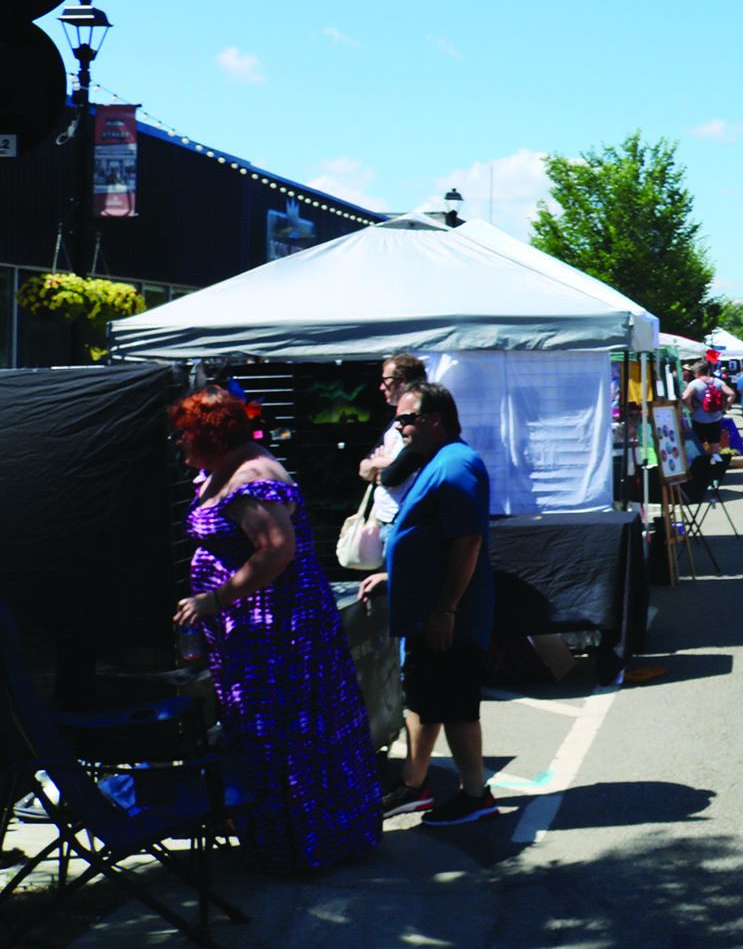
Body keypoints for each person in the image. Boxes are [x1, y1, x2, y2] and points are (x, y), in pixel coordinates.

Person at [170, 386, 380, 870]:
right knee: (258, 728)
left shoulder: (251, 477)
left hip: (278, 630)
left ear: (209, 435)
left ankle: (302, 843)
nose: (178, 445)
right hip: (251, 626)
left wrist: (214, 598)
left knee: (283, 729)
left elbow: (277, 550)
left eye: (184, 436)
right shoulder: (223, 468)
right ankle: (274, 835)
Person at [363, 381, 501, 825]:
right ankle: (414, 783)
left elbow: (467, 542)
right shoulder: (438, 462)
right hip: (428, 613)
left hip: (447, 618)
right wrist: (395, 573)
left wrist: (446, 609)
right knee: (425, 697)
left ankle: (475, 795)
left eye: (406, 419)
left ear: (433, 420)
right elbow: (432, 537)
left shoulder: (458, 465)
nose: (399, 427)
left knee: (457, 703)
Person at [358, 352, 428, 535]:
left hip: (402, 519)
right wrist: (378, 463)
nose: (382, 387)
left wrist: (382, 465)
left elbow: (391, 475)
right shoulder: (394, 423)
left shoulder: (420, 423)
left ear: (402, 381)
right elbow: (364, 468)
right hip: (385, 518)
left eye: (386, 380)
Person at [683, 359, 736, 459]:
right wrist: (724, 407)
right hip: (715, 418)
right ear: (708, 371)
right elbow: (732, 394)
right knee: (715, 446)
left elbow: (685, 397)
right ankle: (715, 466)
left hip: (698, 418)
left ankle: (703, 468)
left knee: (700, 445)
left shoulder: (694, 384)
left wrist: (690, 409)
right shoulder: (718, 382)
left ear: (697, 372)